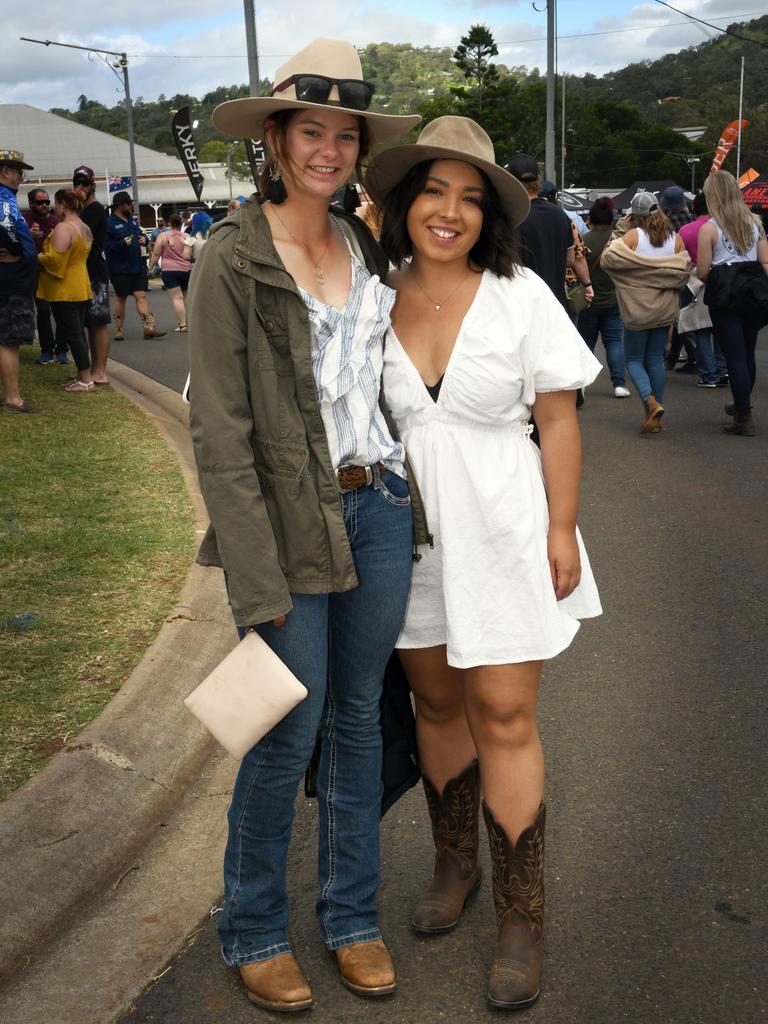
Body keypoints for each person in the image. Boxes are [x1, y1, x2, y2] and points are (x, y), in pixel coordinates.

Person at [187, 37, 424, 1012]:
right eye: (309, 130)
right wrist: (254, 582)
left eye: (344, 133)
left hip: (378, 509)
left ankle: (351, 916)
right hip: (289, 522)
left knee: (359, 722)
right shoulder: (232, 258)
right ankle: (250, 927)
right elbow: (222, 435)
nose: (327, 148)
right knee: (283, 730)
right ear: (277, 138)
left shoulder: (364, 243)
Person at [366, 115, 603, 1010]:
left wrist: (563, 528)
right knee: (434, 698)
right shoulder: (372, 296)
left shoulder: (520, 295)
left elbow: (561, 419)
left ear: (489, 216)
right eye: (434, 189)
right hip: (407, 535)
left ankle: (520, 910)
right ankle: (453, 861)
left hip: (505, 527)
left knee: (502, 710)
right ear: (404, 201)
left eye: (471, 198)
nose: (450, 211)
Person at [601, 192, 690, 434]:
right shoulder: (675, 238)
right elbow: (683, 271)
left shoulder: (633, 235)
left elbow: (609, 259)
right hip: (664, 310)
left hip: (637, 309)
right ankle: (654, 417)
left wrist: (622, 230)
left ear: (635, 216)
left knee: (633, 360)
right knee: (654, 359)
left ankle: (650, 402)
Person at [697, 170, 768, 436]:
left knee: (734, 355)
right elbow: (765, 260)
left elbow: (703, 270)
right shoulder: (756, 222)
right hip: (753, 291)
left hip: (725, 294)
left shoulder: (709, 228)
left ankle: (744, 416)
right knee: (747, 353)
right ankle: (741, 406)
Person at [505, 153, 593, 311]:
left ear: (511, 182)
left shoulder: (512, 218)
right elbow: (570, 259)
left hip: (522, 306)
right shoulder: (560, 215)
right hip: (555, 305)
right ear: (538, 179)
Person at [36, 189, 94, 393]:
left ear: (63, 204)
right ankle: (83, 374)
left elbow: (55, 260)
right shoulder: (84, 227)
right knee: (78, 332)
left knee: (73, 333)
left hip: (65, 288)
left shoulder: (64, 227)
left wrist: (38, 258)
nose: (53, 208)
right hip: (81, 284)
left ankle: (86, 379)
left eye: (55, 203)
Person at [0, 148, 42, 413]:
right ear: (5, 171)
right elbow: (5, 226)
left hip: (10, 280)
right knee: (9, 340)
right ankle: (13, 399)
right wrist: (16, 250)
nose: (21, 177)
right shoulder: (4, 196)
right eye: (18, 171)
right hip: (11, 282)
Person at [577, 197, 630, 397]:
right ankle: (619, 384)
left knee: (586, 344)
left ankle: (581, 384)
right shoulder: (619, 242)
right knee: (614, 342)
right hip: (614, 299)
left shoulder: (584, 240)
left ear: (590, 218)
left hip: (588, 300)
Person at [677, 191, 728, 389]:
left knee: (700, 330)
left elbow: (681, 259)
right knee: (721, 329)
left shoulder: (685, 230)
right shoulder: (722, 228)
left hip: (693, 282)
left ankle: (708, 374)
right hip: (721, 280)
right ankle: (723, 370)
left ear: (692, 208)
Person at [104, 191, 166, 340]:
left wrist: (144, 239)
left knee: (141, 295)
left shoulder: (132, 221)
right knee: (121, 297)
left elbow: (141, 234)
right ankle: (119, 330)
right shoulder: (109, 223)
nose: (131, 206)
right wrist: (121, 243)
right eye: (129, 203)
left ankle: (149, 327)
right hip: (119, 268)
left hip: (137, 265)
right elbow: (106, 245)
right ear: (120, 205)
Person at [72, 166, 113, 385]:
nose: (80, 187)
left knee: (98, 322)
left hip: (95, 271)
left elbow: (78, 235)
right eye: (76, 183)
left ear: (92, 185)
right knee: (91, 322)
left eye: (84, 183)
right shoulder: (83, 210)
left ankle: (101, 370)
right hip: (85, 271)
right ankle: (93, 368)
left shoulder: (95, 209)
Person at [22, 188, 66, 365]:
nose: (45, 205)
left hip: (56, 274)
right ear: (31, 203)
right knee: (43, 311)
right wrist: (26, 234)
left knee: (61, 312)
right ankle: (47, 350)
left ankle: (62, 349)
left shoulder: (56, 221)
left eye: (47, 202)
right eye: (40, 202)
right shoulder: (23, 220)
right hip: (36, 274)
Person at [148, 213, 191, 331]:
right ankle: (189, 322)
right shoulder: (187, 236)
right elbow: (192, 254)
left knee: (177, 298)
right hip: (186, 269)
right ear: (181, 223)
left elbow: (156, 254)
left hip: (170, 270)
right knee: (186, 298)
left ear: (169, 223)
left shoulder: (163, 236)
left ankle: (183, 325)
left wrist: (150, 268)